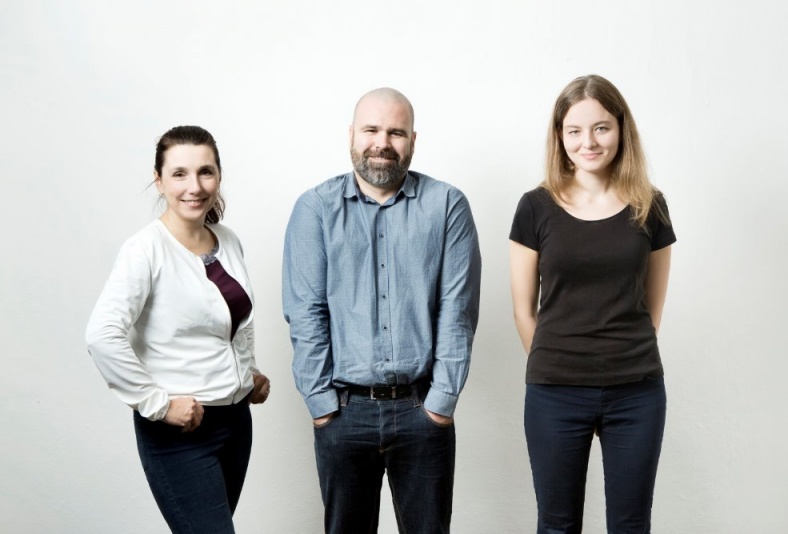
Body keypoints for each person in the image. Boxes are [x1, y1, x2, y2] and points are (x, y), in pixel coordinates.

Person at [282, 87, 481, 534]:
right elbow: (306, 313)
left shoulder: (447, 205)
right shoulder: (315, 209)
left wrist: (441, 403)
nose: (382, 143)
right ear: (351, 134)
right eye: (371, 130)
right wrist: (321, 405)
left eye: (396, 132)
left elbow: (458, 311)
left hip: (422, 409)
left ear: (413, 139)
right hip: (343, 413)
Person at [509, 75, 676, 533]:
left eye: (601, 127)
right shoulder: (534, 207)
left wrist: (618, 357)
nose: (589, 142)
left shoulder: (650, 206)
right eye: (575, 130)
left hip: (636, 392)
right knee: (557, 524)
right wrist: (560, 363)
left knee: (630, 524)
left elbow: (652, 308)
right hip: (554, 392)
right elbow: (523, 310)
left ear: (621, 129)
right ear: (560, 136)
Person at [86, 125, 270, 534]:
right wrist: (158, 404)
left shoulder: (228, 240)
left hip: (235, 424)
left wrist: (247, 375)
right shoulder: (144, 250)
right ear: (159, 180)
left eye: (205, 172)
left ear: (219, 176)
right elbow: (102, 335)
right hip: (180, 433)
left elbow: (233, 319)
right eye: (180, 174)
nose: (195, 186)